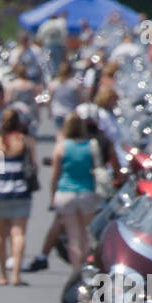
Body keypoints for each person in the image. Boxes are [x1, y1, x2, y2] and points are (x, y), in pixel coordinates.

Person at [0, 108, 37, 287]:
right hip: (20, 191)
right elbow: (33, 166)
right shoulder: (24, 142)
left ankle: (2, 275)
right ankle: (16, 275)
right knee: (18, 233)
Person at [50, 112, 105, 267]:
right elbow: (98, 168)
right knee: (87, 235)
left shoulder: (62, 146)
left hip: (65, 191)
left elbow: (55, 174)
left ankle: (76, 270)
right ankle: (87, 268)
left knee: (73, 236)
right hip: (86, 191)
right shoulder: (90, 145)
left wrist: (52, 196)